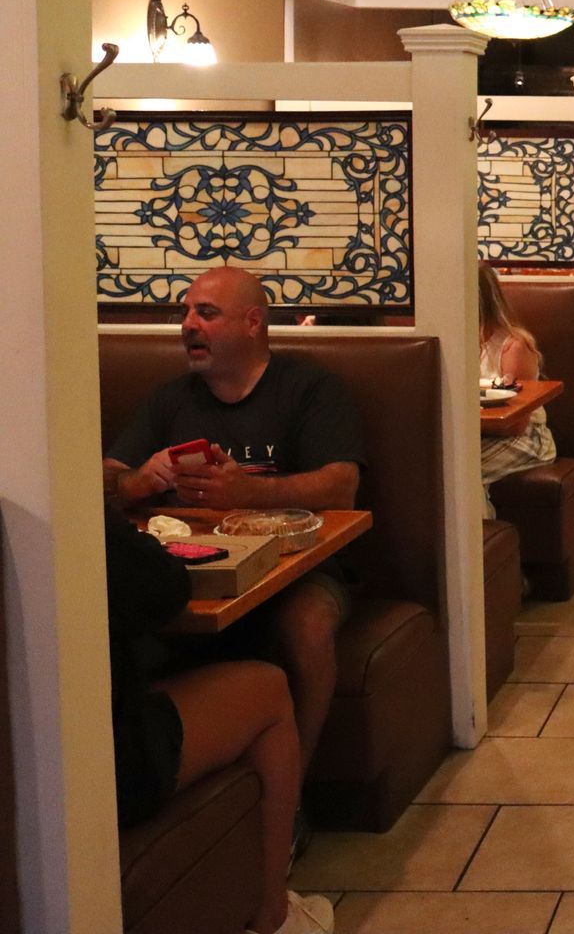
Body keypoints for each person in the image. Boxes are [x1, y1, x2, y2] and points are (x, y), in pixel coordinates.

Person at [102, 266, 362, 795]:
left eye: (206, 313)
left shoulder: (309, 388)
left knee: (308, 625)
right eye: (186, 312)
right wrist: (138, 481)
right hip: (189, 570)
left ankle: (292, 800)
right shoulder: (169, 400)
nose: (188, 325)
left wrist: (249, 493)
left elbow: (341, 485)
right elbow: (104, 481)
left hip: (298, 569)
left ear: (252, 323)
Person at [107, 512, 332, 934]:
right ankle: (273, 918)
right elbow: (164, 586)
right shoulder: (67, 511)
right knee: (269, 691)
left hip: (34, 765)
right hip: (100, 766)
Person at [478, 265, 556, 497]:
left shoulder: (513, 347)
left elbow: (517, 424)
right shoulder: (453, 344)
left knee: (461, 470)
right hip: (477, 434)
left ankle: (480, 532)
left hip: (527, 439)